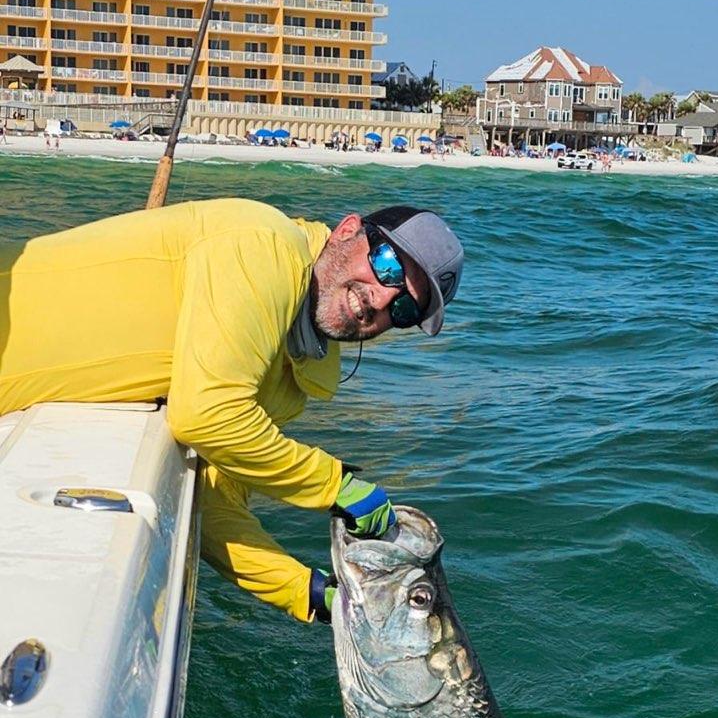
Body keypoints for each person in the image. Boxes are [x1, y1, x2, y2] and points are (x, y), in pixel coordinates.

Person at [0, 198, 464, 625]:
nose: (380, 300)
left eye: (404, 308)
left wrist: (304, 591)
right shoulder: (262, 246)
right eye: (387, 266)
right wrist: (332, 485)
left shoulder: (288, 371)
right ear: (346, 230)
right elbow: (206, 414)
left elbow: (211, 497)